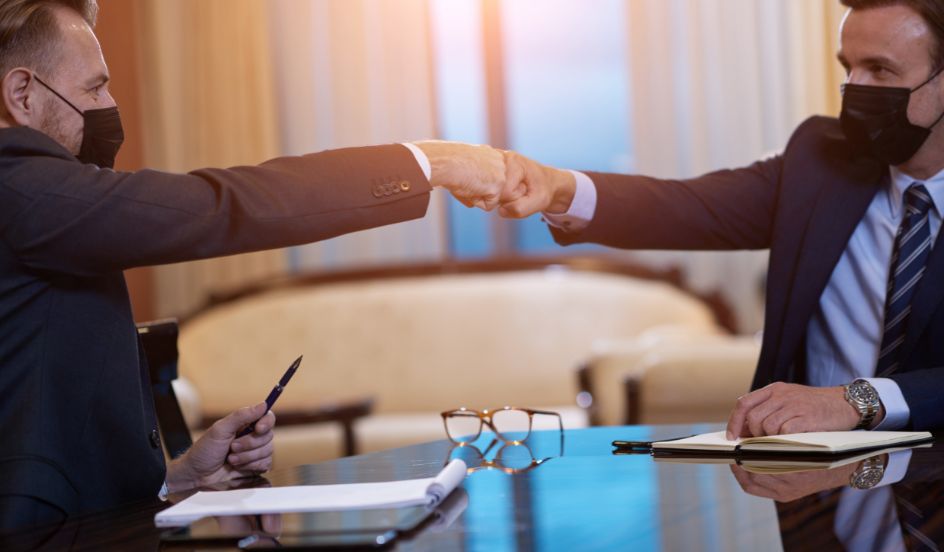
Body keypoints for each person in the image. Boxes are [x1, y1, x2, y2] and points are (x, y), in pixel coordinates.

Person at [0, 0, 505, 528]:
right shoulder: (17, 183)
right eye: (94, 89)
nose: (110, 104)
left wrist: (178, 477)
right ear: (22, 94)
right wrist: (429, 163)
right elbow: (226, 205)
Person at [497, 0, 944, 437]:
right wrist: (555, 188)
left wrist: (855, 401)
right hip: (810, 481)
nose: (853, 88)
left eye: (880, 70)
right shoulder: (819, 162)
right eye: (848, 67)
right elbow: (684, 207)